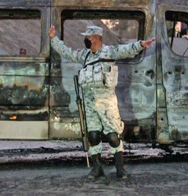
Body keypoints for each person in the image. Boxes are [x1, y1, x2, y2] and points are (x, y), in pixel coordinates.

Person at [49, 25, 155, 179]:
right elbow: (67, 52)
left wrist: (141, 44)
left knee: (112, 136)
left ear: (95, 38)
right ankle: (97, 168)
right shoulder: (85, 55)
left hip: (106, 101)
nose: (85, 39)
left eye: (87, 37)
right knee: (93, 135)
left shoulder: (109, 52)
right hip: (89, 101)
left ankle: (120, 168)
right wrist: (53, 39)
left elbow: (126, 50)